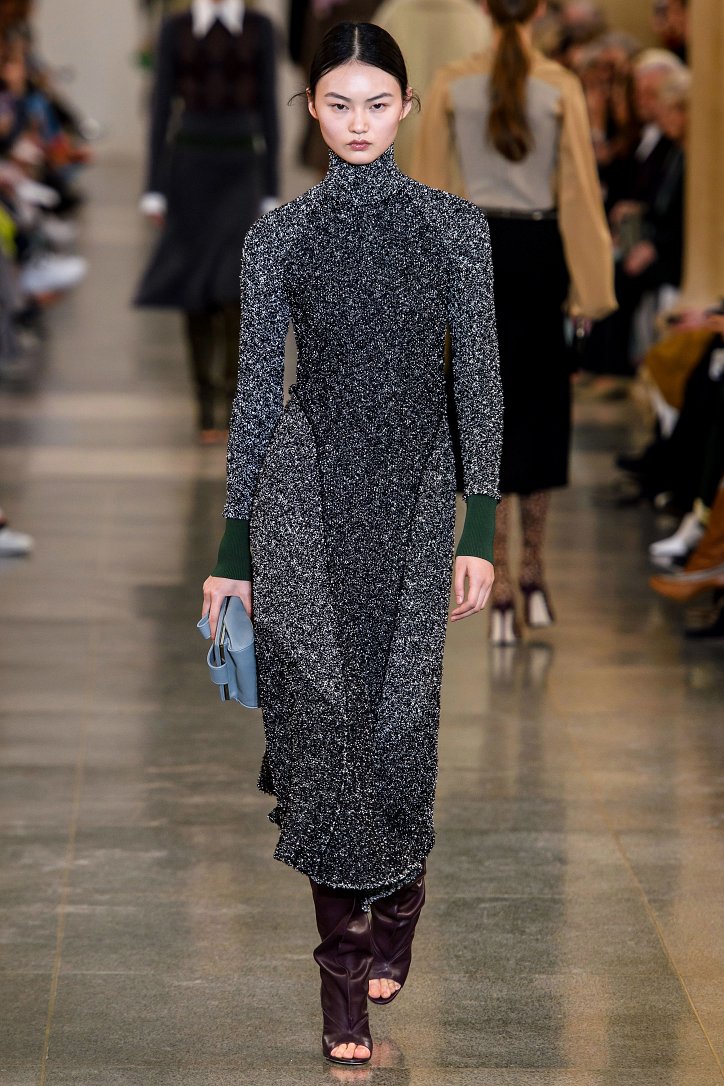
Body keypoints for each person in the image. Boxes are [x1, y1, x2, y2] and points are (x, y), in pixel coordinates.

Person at [202, 22, 502, 1065]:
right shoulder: (279, 236)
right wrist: (233, 548)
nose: (359, 122)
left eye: (378, 103)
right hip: (303, 497)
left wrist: (478, 525)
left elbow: (480, 381)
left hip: (415, 502)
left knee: (400, 730)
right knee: (322, 741)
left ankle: (401, 896)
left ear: (407, 108)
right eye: (339, 103)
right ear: (312, 110)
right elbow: (255, 395)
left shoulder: (454, 229)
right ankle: (341, 985)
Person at [414, 0, 615, 644]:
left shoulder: (451, 82)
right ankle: (533, 574)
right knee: (541, 413)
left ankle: (495, 580)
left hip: (474, 252)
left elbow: (428, 186)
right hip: (541, 255)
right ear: (539, 10)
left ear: (484, 8)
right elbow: (579, 190)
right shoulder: (560, 86)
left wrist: (420, 285)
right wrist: (591, 291)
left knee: (482, 415)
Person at [135, 0, 279, 443]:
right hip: (190, 165)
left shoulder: (259, 27)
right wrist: (155, 187)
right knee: (195, 288)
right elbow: (162, 110)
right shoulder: (176, 28)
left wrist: (271, 188)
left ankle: (234, 400)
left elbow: (270, 108)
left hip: (241, 166)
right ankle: (204, 404)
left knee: (235, 285)